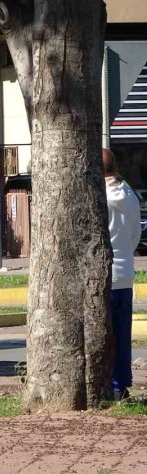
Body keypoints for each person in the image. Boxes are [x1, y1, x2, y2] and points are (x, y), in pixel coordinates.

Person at [103, 148, 140, 400]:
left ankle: (109, 384)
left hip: (104, 274)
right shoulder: (130, 195)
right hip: (125, 271)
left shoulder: (99, 198)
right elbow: (136, 234)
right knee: (122, 332)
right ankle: (121, 385)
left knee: (105, 336)